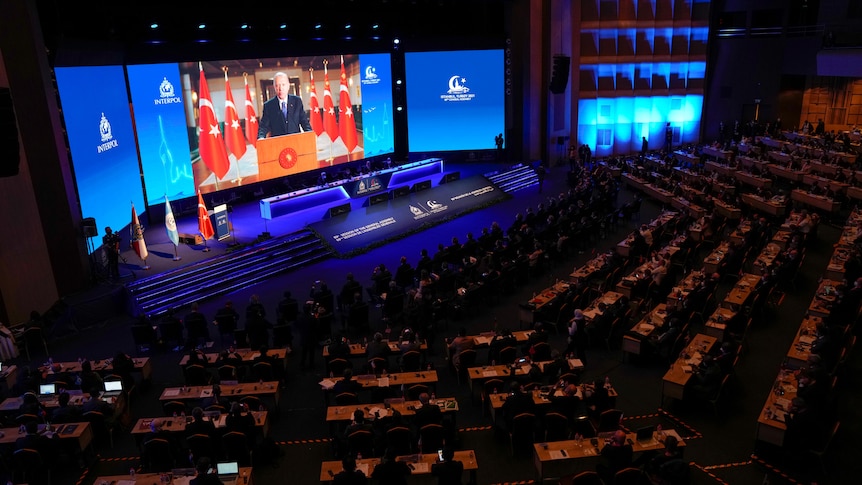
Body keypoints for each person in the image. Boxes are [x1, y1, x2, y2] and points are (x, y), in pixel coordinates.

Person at [257, 71, 312, 139]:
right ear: (274, 87)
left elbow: (304, 122)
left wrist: (310, 134)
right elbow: (263, 127)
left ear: (288, 86)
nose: (280, 89)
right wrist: (261, 137)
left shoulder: (297, 101)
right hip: (278, 144)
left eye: (283, 85)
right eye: (277, 85)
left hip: (296, 143)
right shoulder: (268, 106)